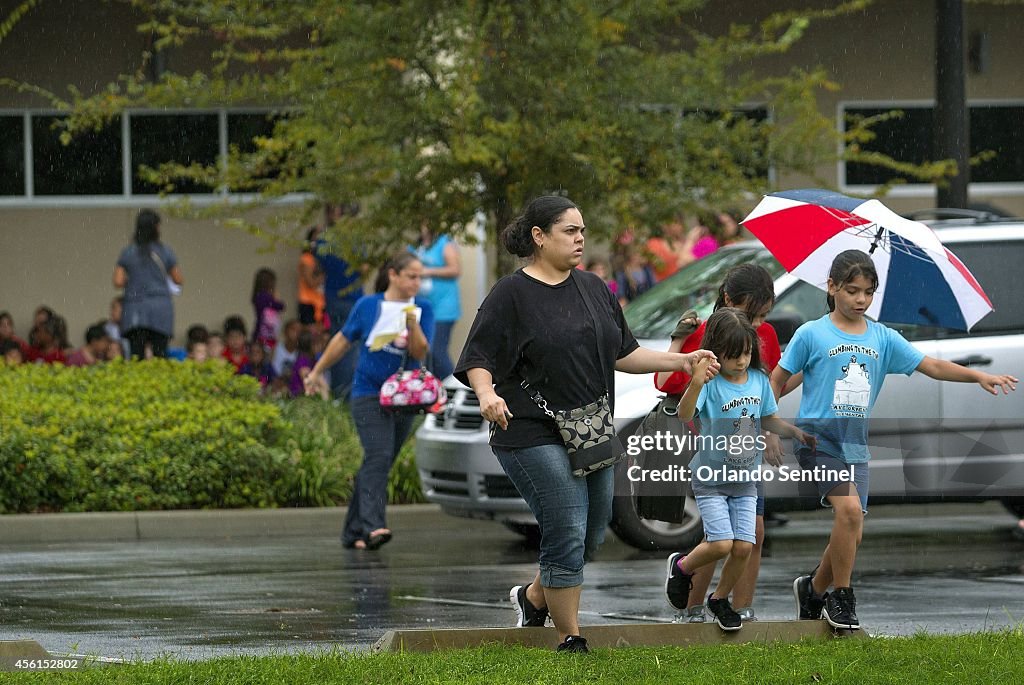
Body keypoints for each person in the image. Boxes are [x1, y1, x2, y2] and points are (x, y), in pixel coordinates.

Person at [454, 195, 719, 654]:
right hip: (529, 430)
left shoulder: (595, 288)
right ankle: (569, 636)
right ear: (539, 237)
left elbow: (624, 353)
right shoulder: (511, 294)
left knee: (595, 529)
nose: (580, 239)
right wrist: (487, 393)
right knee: (567, 523)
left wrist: (683, 358)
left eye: (582, 230)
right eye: (569, 231)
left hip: (590, 430)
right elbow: (478, 357)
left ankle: (534, 597)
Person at [770, 249, 1017, 631]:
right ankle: (842, 597)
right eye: (852, 290)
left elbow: (931, 365)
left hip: (856, 445)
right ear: (832, 287)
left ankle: (813, 589)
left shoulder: (883, 337)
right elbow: (778, 380)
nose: (860, 300)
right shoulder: (811, 333)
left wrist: (978, 376)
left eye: (868, 292)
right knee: (849, 513)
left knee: (853, 531)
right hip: (817, 442)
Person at [664, 308, 815, 631]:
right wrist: (695, 383)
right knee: (721, 543)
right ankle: (682, 566)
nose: (742, 361)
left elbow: (767, 418)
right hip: (711, 479)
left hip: (745, 480)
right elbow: (684, 414)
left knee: (744, 546)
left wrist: (792, 431)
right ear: (717, 354)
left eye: (746, 353)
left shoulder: (760, 380)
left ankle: (719, 600)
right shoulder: (712, 384)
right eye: (734, 356)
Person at [654, 263, 790, 623]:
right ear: (729, 299)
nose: (758, 324)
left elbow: (767, 387)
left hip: (747, 454)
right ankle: (692, 609)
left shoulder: (766, 336)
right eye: (752, 313)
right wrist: (678, 341)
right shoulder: (706, 335)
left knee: (752, 535)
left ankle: (738, 606)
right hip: (712, 456)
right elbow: (665, 382)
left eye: (764, 315)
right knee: (718, 539)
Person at [304, 252, 434, 550]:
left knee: (381, 460)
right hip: (368, 393)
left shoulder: (424, 308)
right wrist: (316, 372)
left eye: (420, 277)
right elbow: (342, 340)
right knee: (378, 455)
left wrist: (412, 325)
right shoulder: (368, 305)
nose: (417, 282)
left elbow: (420, 352)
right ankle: (374, 526)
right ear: (393, 275)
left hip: (405, 398)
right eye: (411, 276)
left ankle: (353, 531)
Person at [114, 209, 183, 359]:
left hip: (135, 310)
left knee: (136, 355)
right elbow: (178, 279)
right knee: (160, 354)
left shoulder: (128, 252)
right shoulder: (165, 251)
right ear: (156, 227)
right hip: (160, 309)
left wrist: (133, 281)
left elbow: (118, 281)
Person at [315, 202, 367, 400]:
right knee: (350, 346)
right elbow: (363, 267)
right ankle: (347, 395)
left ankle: (339, 391)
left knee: (337, 343)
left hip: (333, 297)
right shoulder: (352, 240)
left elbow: (320, 263)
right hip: (351, 298)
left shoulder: (323, 239)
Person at [410, 223, 461, 380]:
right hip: (422, 308)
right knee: (426, 355)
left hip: (444, 308)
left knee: (436, 351)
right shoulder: (415, 246)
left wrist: (427, 271)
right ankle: (434, 392)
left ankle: (454, 386)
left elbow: (456, 269)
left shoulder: (444, 243)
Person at [298, 227, 326, 330]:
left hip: (321, 303)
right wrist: (325, 275)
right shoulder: (306, 258)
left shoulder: (321, 258)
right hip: (309, 303)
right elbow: (311, 283)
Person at [252, 267, 286, 350]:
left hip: (267, 332)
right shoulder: (264, 296)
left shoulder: (258, 296)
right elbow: (281, 306)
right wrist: (276, 297)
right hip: (264, 332)